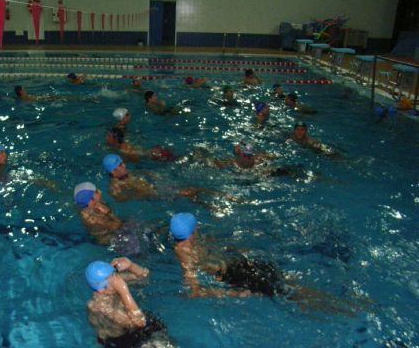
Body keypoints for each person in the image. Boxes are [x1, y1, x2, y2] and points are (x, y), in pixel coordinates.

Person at [86, 258, 253, 348]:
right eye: (114, 279)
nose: (118, 280)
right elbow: (139, 322)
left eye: (116, 276)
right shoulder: (100, 306)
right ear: (102, 288)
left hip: (141, 334)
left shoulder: (110, 287)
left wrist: (131, 265)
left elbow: (144, 276)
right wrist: (124, 290)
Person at [169, 213, 359, 314]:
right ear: (193, 231)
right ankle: (345, 309)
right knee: (291, 293)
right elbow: (193, 291)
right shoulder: (186, 255)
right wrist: (232, 293)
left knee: (291, 288)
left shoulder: (189, 244)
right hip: (243, 276)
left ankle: (345, 307)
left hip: (244, 268)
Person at [103, 154, 242, 205]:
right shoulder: (115, 186)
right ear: (113, 171)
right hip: (156, 195)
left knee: (190, 193)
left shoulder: (125, 174)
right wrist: (141, 194)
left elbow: (139, 173)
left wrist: (152, 174)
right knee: (193, 190)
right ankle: (225, 199)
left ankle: (211, 204)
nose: (125, 165)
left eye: (123, 162)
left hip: (156, 189)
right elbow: (120, 200)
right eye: (120, 165)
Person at [106, 127, 176, 163]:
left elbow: (136, 161)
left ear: (115, 140)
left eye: (109, 136)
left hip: (157, 156)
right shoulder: (123, 143)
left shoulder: (125, 151)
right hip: (155, 151)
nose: (106, 137)